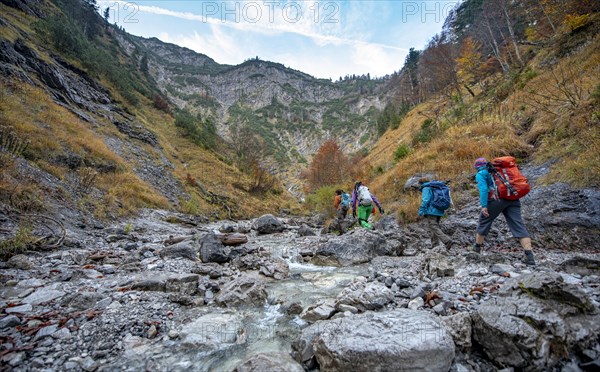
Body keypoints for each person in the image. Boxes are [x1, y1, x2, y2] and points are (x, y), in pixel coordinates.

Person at [473, 157, 536, 265]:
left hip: (496, 200)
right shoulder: (499, 171)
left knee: (484, 221)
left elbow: (483, 190)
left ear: (477, 167)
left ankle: (476, 250)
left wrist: (484, 206)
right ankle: (529, 256)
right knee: (518, 224)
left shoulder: (481, 174)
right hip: (513, 198)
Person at [417, 177, 453, 249]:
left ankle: (446, 240)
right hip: (439, 209)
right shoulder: (435, 187)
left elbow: (425, 200)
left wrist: (421, 211)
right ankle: (435, 245)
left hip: (431, 210)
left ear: (421, 183)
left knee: (433, 226)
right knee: (434, 227)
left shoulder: (426, 188)